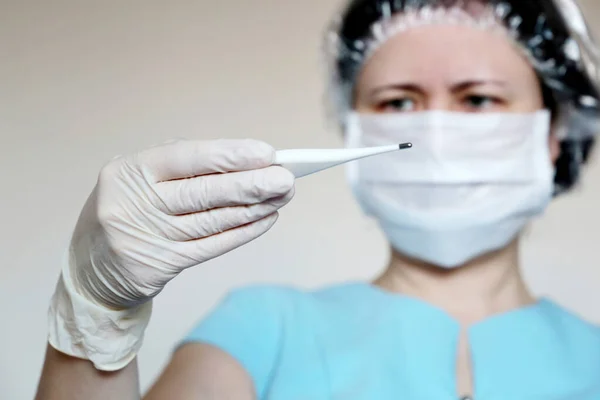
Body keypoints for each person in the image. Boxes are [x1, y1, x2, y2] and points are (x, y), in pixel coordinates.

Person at [35, 0, 600, 399]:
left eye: (478, 100)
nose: (434, 134)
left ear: (554, 132)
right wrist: (94, 312)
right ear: (356, 131)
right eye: (399, 103)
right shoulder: (261, 328)